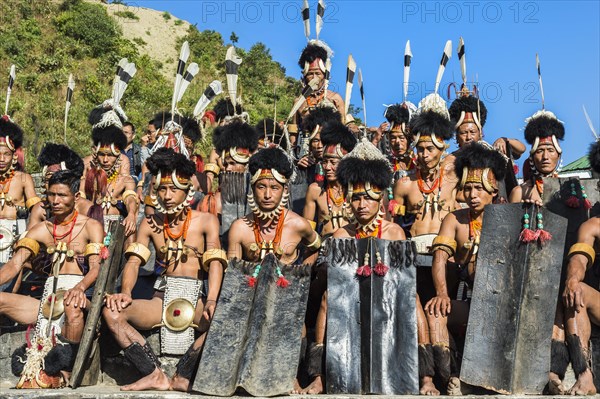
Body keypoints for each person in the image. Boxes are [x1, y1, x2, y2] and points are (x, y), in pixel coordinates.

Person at [102, 148, 226, 391]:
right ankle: (153, 373)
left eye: (174, 189)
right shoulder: (149, 223)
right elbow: (134, 262)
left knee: (227, 322)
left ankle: (183, 375)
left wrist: (211, 299)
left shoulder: (206, 220)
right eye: (162, 189)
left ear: (187, 191)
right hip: (161, 297)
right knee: (113, 313)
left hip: (196, 298)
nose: (167, 195)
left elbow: (215, 263)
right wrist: (125, 292)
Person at [330, 138, 437, 395]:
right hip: (351, 297)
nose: (362, 205)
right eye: (356, 199)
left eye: (368, 198)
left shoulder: (394, 232)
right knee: (325, 301)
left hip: (389, 295)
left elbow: (403, 281)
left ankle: (427, 378)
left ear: (380, 200)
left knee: (413, 300)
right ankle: (322, 377)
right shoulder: (340, 235)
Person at [2, 170, 104, 388]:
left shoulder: (90, 226)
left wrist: (79, 287)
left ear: (76, 197)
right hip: (45, 306)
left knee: (72, 304)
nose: (55, 201)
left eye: (62, 195)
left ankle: (65, 369)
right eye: (51, 195)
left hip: (78, 297)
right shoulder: (40, 229)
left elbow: (96, 269)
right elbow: (14, 264)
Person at [425, 143, 507, 394]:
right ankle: (453, 375)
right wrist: (441, 294)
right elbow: (440, 257)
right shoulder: (455, 220)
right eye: (468, 188)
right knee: (436, 312)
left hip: (502, 307)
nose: (473, 194)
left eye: (479, 188)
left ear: (493, 190)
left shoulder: (508, 217)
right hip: (470, 300)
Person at [554, 140, 600, 396]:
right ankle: (585, 376)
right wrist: (572, 280)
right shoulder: (593, 225)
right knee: (576, 291)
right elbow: (579, 258)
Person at [0, 115, 42, 269]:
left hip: (17, 234)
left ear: (14, 157)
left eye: (6, 154)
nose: (2, 159)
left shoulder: (23, 178)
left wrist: (27, 237)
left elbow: (37, 209)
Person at [28, 143, 94, 228]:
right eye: (49, 180)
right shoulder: (40, 209)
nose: (54, 187)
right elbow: (28, 240)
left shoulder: (87, 209)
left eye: (58, 181)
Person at [509, 110, 564, 205]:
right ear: (532, 157)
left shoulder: (568, 189)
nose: (545, 157)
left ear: (558, 155)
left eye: (550, 150)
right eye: (540, 151)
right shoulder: (519, 192)